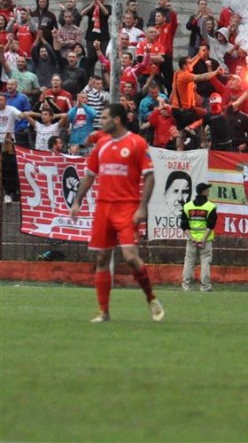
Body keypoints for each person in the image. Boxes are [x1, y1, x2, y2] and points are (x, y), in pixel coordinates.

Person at [67, 104, 164, 323]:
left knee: (130, 257)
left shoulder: (137, 143)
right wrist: (77, 201)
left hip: (127, 207)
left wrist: (142, 207)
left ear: (117, 120)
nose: (102, 121)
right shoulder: (100, 144)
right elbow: (89, 175)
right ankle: (104, 312)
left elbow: (149, 176)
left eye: (105, 117)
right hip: (103, 207)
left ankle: (151, 297)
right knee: (102, 258)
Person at [180, 182, 218, 292]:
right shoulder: (210, 207)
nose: (209, 191)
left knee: (189, 262)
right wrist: (203, 239)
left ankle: (186, 286)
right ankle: (205, 287)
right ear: (204, 191)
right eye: (207, 189)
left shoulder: (187, 206)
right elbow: (211, 225)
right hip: (206, 240)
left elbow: (184, 225)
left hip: (191, 240)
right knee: (205, 262)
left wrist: (191, 238)